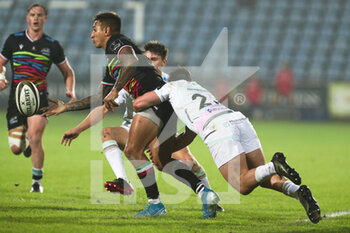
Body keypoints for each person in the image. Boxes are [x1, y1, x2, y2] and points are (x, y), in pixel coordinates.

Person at [60, 12, 220, 218]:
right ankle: (205, 193)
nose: (91, 35)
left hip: (153, 103)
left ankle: (155, 205)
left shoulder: (116, 43)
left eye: (94, 29)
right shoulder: (112, 64)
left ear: (106, 30)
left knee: (133, 151)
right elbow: (100, 97)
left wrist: (116, 90)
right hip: (165, 109)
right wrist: (66, 108)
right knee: (162, 161)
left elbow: (131, 62)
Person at [132, 68, 321, 224]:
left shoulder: (170, 87)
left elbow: (139, 104)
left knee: (242, 185)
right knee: (261, 176)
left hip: (218, 129)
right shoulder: (199, 88)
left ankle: (274, 165)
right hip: (237, 119)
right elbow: (189, 137)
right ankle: (299, 193)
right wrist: (166, 150)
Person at [102, 41, 214, 196]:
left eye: (153, 59)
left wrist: (181, 136)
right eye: (147, 60)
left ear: (164, 62)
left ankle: (209, 195)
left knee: (188, 163)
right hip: (134, 128)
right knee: (111, 136)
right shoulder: (132, 79)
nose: (150, 63)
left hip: (164, 128)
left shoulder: (173, 83)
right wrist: (78, 128)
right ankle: (125, 181)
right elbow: (108, 104)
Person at [0, 3, 76, 193]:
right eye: (32, 15)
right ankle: (24, 142)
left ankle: (36, 182)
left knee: (35, 138)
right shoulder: (13, 40)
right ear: (27, 18)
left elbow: (68, 72)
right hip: (16, 99)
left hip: (40, 98)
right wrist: (1, 76)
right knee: (16, 149)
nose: (36, 18)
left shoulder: (51, 45)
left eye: (40, 15)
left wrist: (70, 90)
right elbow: (0, 64)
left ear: (45, 19)